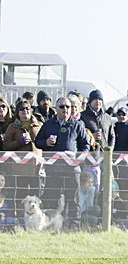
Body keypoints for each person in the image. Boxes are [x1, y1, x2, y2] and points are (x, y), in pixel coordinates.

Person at [34, 96, 91, 227]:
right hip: (53, 169)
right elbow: (37, 142)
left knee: (73, 199)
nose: (65, 109)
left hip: (72, 170)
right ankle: (50, 225)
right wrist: (46, 142)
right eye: (62, 106)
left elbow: (86, 145)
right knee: (51, 198)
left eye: (68, 107)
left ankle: (74, 226)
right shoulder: (48, 124)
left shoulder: (78, 125)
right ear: (56, 108)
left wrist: (79, 159)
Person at [2, 99, 44, 221]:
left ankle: (37, 221)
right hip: (19, 169)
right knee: (21, 196)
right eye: (22, 109)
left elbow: (44, 142)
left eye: (27, 108)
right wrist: (18, 142)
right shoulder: (12, 127)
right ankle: (21, 220)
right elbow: (6, 146)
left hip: (36, 168)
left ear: (31, 110)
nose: (25, 111)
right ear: (17, 112)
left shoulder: (39, 125)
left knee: (37, 195)